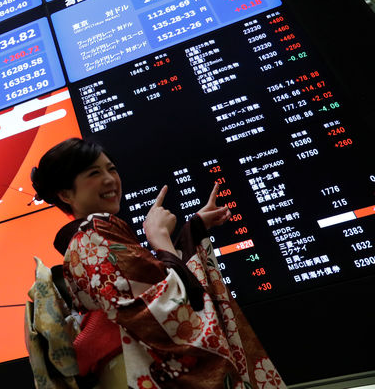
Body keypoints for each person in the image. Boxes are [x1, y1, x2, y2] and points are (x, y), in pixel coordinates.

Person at [28, 138, 285, 389]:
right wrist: (159, 236)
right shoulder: (93, 236)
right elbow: (163, 309)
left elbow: (158, 289)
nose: (110, 179)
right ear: (65, 193)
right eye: (94, 173)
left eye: (112, 169)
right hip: (132, 367)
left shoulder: (89, 239)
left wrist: (192, 230)